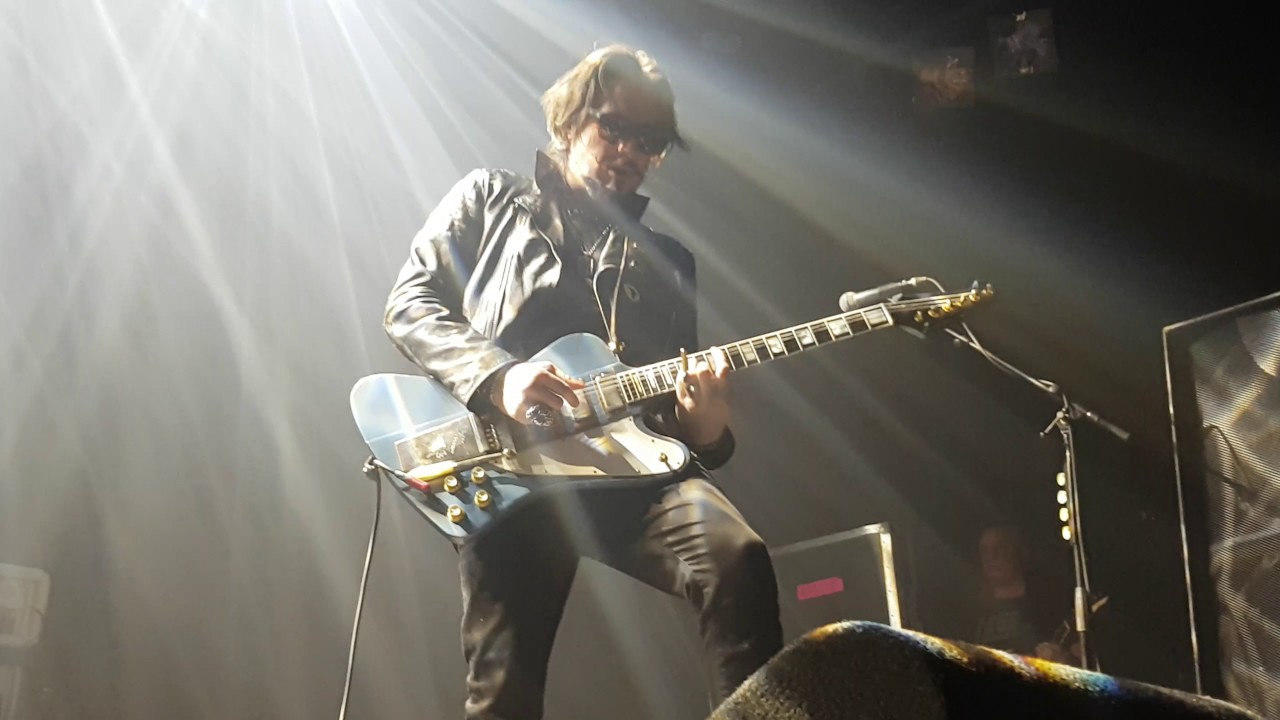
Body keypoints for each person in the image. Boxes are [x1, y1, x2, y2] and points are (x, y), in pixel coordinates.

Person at [384, 45, 783, 719]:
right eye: (615, 129)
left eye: (650, 142)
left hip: (624, 473)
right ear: (568, 122)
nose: (630, 151)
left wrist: (703, 432)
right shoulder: (488, 199)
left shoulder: (668, 263)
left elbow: (669, 410)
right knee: (503, 695)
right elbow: (410, 301)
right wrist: (498, 377)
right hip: (511, 473)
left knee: (736, 557)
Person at [970, 525, 1078, 662]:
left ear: (1018, 552)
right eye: (985, 551)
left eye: (1000, 548)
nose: (992, 557)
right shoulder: (970, 612)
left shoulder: (1048, 605)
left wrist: (1064, 658)